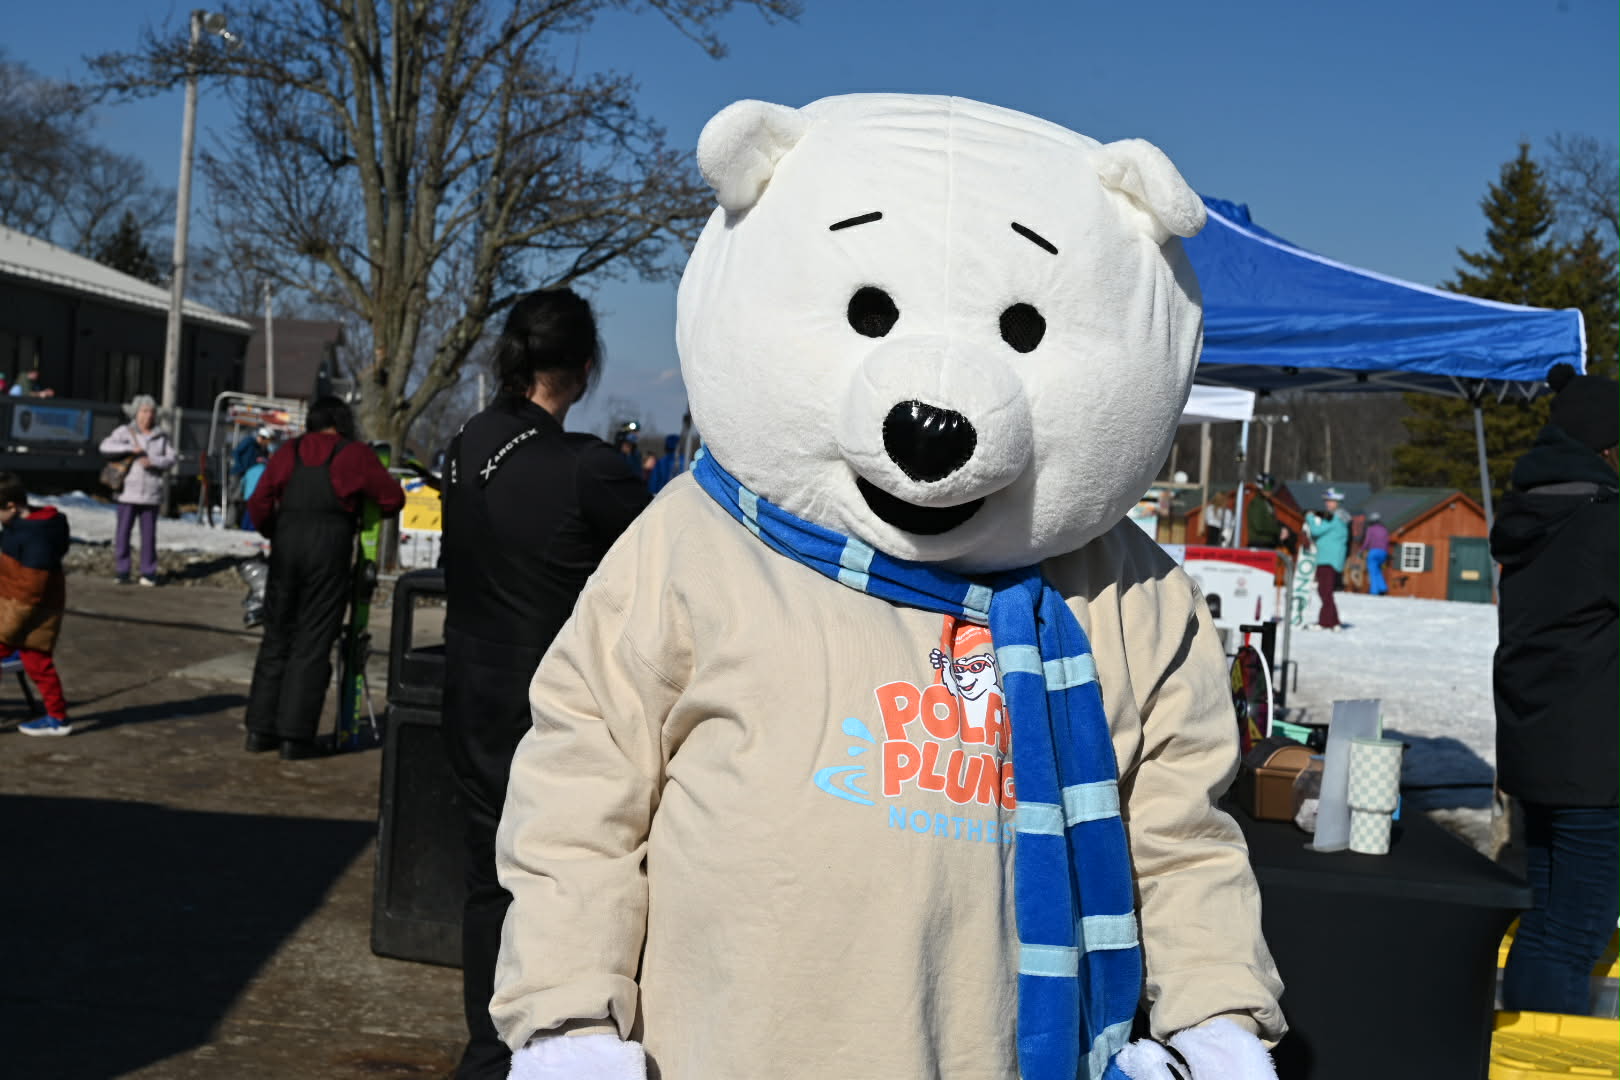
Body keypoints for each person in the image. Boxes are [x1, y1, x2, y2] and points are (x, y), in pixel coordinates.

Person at [440, 288, 650, 1080]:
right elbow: (667, 556)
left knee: (485, 878)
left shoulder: (465, 442)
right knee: (563, 873)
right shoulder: (587, 469)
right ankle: (539, 1045)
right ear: (585, 368)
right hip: (549, 702)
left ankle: (486, 1048)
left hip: (469, 686)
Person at [1494, 363, 1620, 1016]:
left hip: (1539, 750)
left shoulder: (1536, 516)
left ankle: (1518, 1053)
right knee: (1572, 934)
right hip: (1592, 771)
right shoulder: (1602, 525)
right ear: (1605, 449)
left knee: (1545, 925)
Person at [243, 397, 404, 760]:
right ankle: (294, 737)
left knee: (277, 635)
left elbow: (259, 502)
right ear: (343, 422)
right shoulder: (354, 454)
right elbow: (392, 498)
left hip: (286, 545)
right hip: (328, 548)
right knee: (313, 641)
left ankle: (259, 729)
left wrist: (275, 530)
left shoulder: (289, 451)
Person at [0, 472, 72, 735]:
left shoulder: (36, 538)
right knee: (38, 663)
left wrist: (8, 629)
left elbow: (31, 590)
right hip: (24, 609)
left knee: (38, 662)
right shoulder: (25, 526)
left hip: (23, 612)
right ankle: (58, 717)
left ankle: (57, 718)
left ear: (11, 505)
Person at [99, 395, 177, 586]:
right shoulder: (125, 431)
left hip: (151, 493)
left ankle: (148, 572)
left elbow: (172, 458)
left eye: (151, 411)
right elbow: (105, 447)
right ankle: (122, 570)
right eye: (144, 411)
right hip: (127, 492)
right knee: (123, 533)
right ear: (136, 412)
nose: (148, 415)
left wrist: (154, 462)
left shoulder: (161, 435)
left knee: (149, 536)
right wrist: (129, 448)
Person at [1305, 487, 1350, 630]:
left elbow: (1317, 531)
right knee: (1326, 591)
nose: (1327, 504)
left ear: (1337, 502)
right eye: (1327, 501)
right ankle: (1333, 621)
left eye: (1331, 501)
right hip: (1330, 558)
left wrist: (1310, 518)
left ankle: (1326, 622)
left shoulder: (1336, 519)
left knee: (1325, 591)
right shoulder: (1339, 518)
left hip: (1328, 559)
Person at [1361, 511, 1390, 595]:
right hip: (1383, 553)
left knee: (1372, 571)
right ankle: (1382, 588)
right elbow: (1387, 542)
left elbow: (1367, 541)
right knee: (1378, 570)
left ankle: (1374, 591)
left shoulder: (1370, 529)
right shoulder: (1384, 529)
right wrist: (1387, 553)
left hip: (1374, 552)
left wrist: (1362, 550)